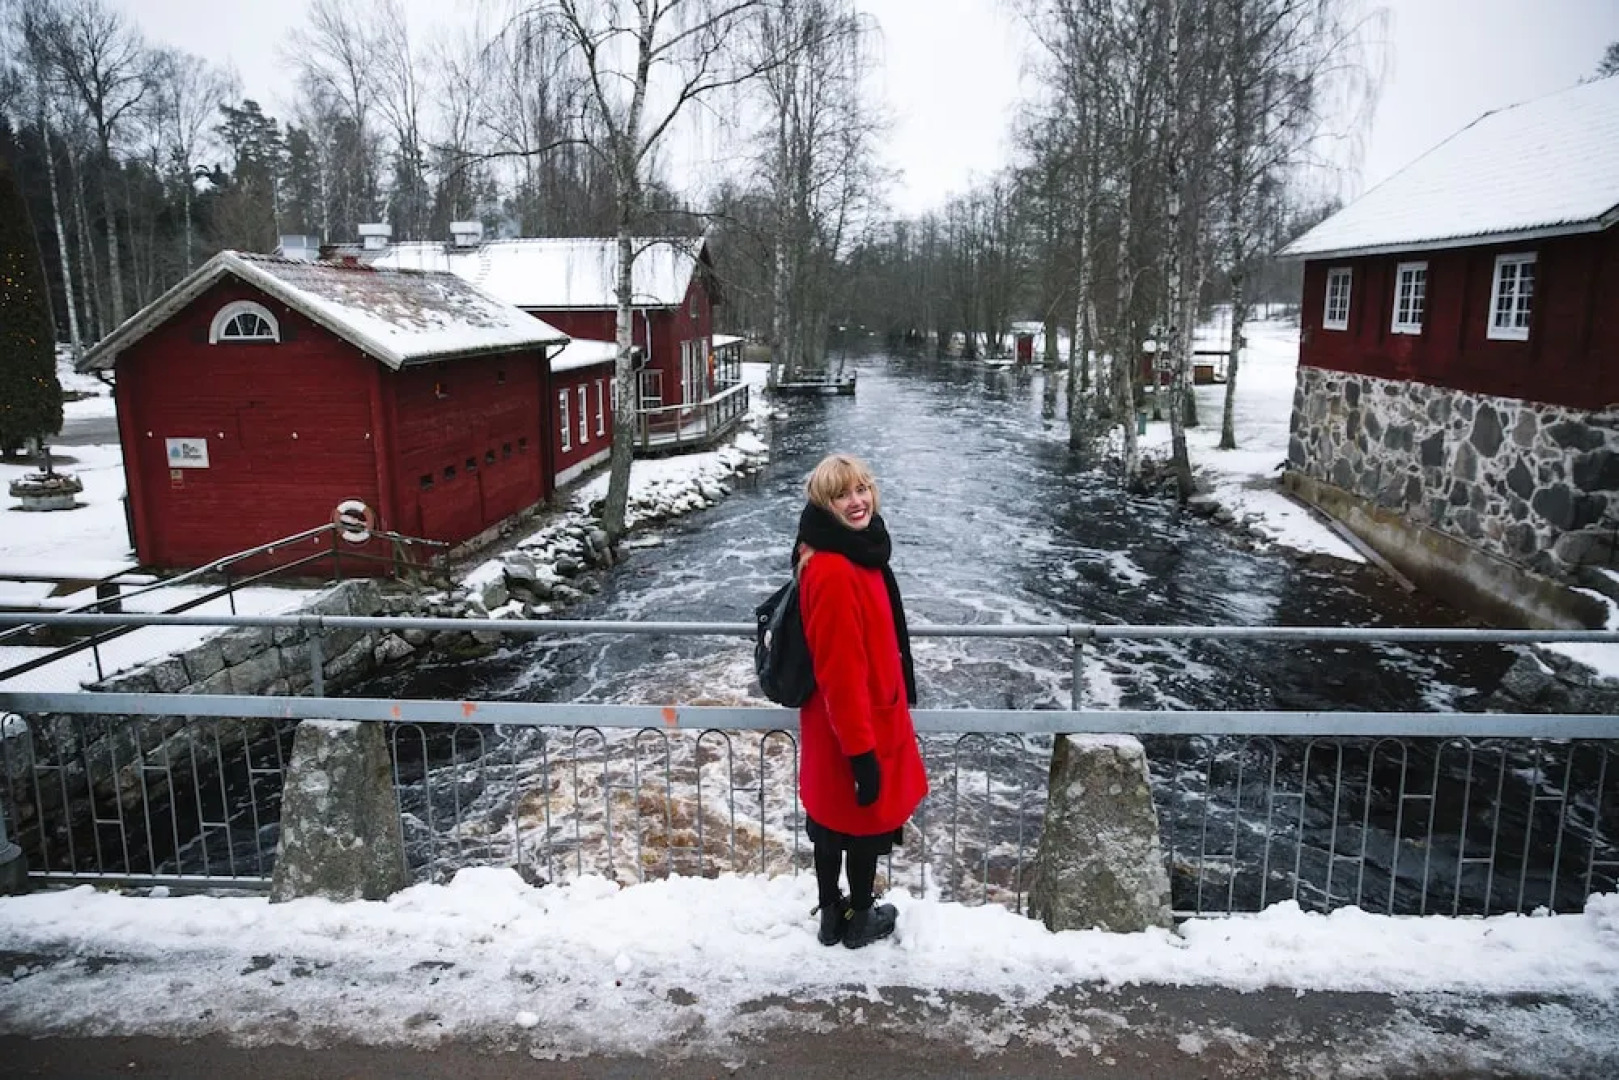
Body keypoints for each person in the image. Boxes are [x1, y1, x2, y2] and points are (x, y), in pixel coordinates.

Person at [793, 452, 928, 948]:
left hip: (846, 719)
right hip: (853, 724)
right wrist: (861, 753)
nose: (857, 502)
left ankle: (834, 916)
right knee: (859, 822)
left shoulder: (848, 552)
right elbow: (841, 671)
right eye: (842, 494)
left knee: (835, 821)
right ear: (825, 505)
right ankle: (855, 919)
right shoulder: (832, 568)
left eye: (862, 489)